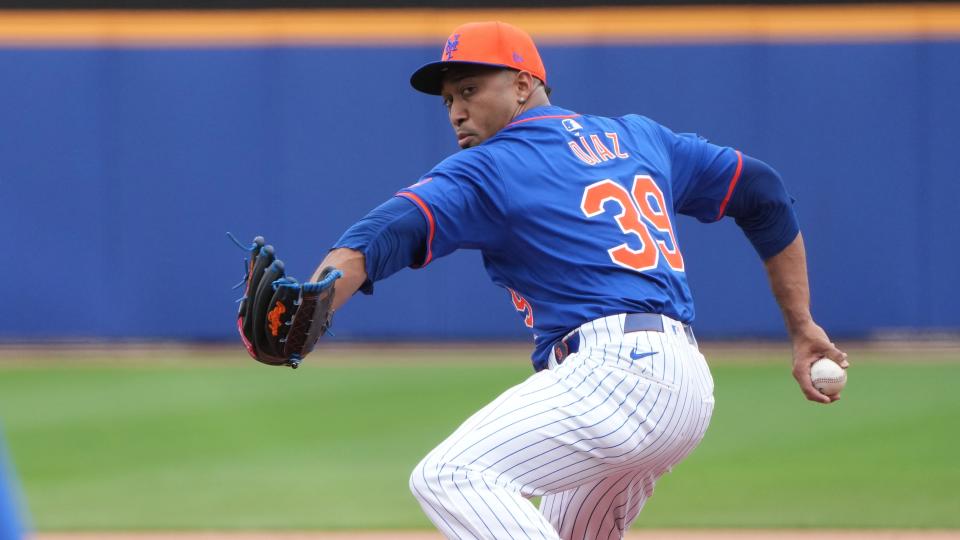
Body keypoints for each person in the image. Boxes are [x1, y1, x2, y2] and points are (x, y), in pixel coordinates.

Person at [310, 21, 848, 539]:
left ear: (524, 84)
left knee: (452, 475)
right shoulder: (637, 138)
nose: (457, 111)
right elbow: (764, 191)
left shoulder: (489, 166)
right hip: (679, 382)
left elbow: (375, 237)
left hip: (615, 375)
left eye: (470, 89)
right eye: (449, 99)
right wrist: (802, 326)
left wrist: (314, 301)